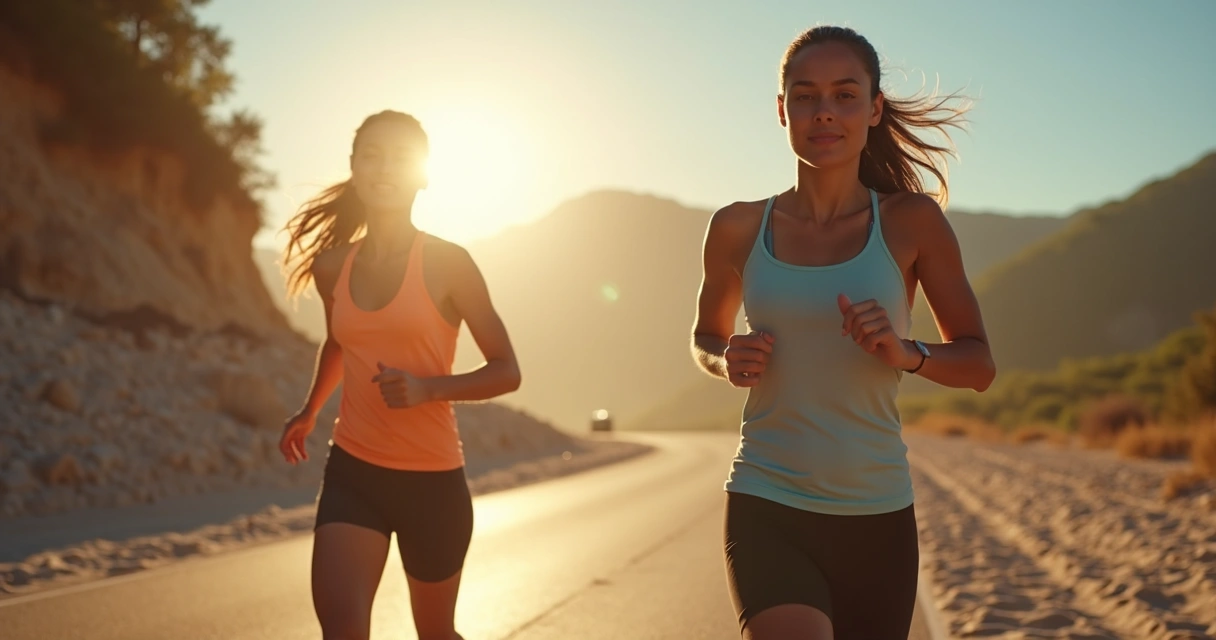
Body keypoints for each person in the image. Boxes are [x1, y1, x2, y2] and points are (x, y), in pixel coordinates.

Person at [690, 26, 995, 640]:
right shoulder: (737, 227)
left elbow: (978, 365)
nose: (823, 111)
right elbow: (705, 336)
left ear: (874, 109)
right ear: (783, 110)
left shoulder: (911, 222)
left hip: (877, 513)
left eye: (845, 95)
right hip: (766, 499)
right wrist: (725, 359)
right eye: (805, 96)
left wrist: (906, 353)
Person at [277, 110, 521, 640]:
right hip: (353, 470)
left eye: (400, 158)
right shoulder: (331, 267)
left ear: (423, 175)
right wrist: (311, 410)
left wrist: (427, 389)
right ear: (354, 167)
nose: (384, 167)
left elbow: (507, 371)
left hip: (432, 482)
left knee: (436, 634)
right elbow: (340, 341)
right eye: (372, 155)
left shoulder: (449, 263)